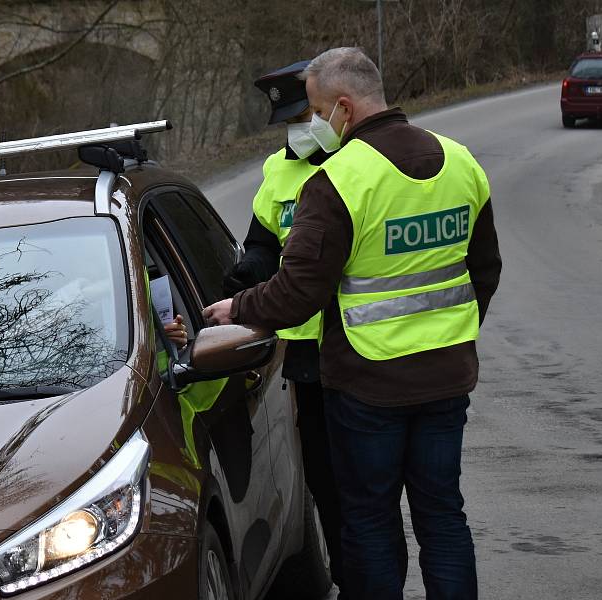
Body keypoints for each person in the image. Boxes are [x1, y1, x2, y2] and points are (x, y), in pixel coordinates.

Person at [204, 47, 502, 600]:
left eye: (315, 110)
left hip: (368, 389)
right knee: (443, 518)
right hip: (446, 380)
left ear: (343, 108)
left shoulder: (339, 179)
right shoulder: (461, 162)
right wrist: (453, 334)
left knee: (367, 520)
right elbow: (484, 269)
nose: (312, 124)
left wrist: (238, 309)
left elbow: (298, 292)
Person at [225, 60, 407, 600]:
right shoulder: (278, 172)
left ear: (331, 110)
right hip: (303, 355)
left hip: (359, 346)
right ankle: (355, 583)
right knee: (327, 483)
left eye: (307, 116)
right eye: (290, 121)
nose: (299, 130)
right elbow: (261, 244)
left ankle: (381, 582)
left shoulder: (360, 165)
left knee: (370, 487)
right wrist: (248, 276)